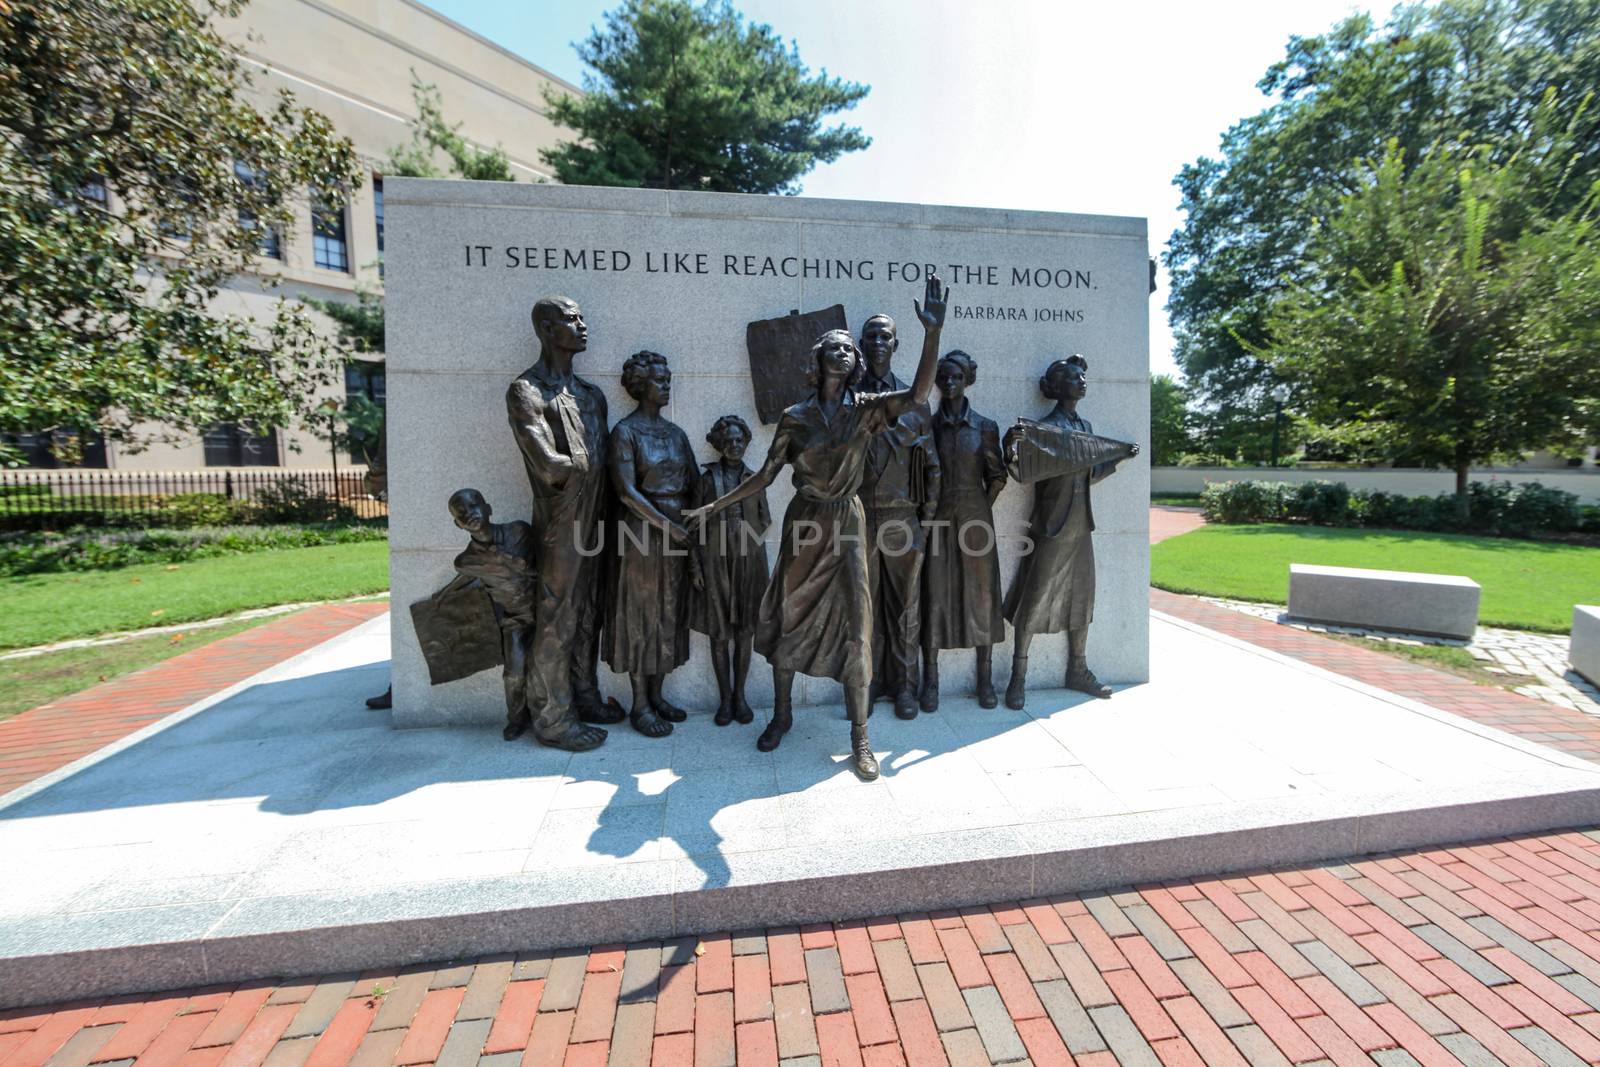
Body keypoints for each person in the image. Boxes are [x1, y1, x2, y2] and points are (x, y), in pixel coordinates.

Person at [686, 274, 950, 782]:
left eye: (851, 350)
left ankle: (860, 737)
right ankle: (782, 715)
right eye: (837, 347)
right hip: (805, 522)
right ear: (817, 361)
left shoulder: (867, 412)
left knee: (858, 623)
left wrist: (932, 334)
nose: (847, 353)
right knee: (789, 615)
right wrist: (713, 507)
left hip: (849, 522)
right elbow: (765, 476)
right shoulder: (794, 416)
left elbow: (918, 395)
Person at [505, 295, 620, 752]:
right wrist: (577, 467)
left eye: (582, 316)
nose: (583, 325)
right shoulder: (526, 390)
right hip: (561, 519)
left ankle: (584, 695)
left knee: (588, 611)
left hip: (599, 515)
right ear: (547, 330)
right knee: (557, 616)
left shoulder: (592, 395)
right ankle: (552, 718)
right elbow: (547, 462)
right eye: (572, 320)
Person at [1001, 355, 1139, 708]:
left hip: (1081, 524)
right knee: (1035, 596)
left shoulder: (1087, 428)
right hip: (1051, 525)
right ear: (1057, 386)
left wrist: (1119, 457)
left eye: (1083, 378)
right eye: (1075, 378)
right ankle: (1018, 677)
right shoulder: (1043, 428)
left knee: (1083, 596)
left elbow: (1089, 472)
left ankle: (1078, 668)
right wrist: (1010, 448)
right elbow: (1021, 473)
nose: (1082, 382)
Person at [602, 351, 697, 737]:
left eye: (669, 379)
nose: (667, 385)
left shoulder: (676, 434)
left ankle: (658, 695)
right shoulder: (625, 433)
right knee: (641, 615)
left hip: (676, 530)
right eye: (659, 380)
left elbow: (693, 480)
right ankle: (639, 704)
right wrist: (667, 527)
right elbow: (625, 491)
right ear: (640, 387)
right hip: (640, 534)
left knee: (668, 612)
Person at [856, 314, 941, 720]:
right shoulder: (849, 400)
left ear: (896, 344)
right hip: (857, 520)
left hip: (904, 519)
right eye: (870, 335)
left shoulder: (916, 404)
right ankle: (868, 684)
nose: (877, 342)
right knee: (864, 608)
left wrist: (926, 523)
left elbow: (933, 468)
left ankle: (906, 687)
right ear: (861, 342)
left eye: (884, 335)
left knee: (906, 608)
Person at [920, 350, 1006, 710]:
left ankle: (984, 679)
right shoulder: (929, 425)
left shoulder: (985, 427)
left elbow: (997, 475)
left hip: (975, 520)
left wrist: (980, 505)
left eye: (955, 376)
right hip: (938, 519)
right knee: (934, 593)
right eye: (943, 377)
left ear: (968, 378)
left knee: (981, 596)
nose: (949, 383)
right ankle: (931, 681)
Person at [432, 488, 539, 740]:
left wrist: (506, 560)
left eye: (474, 506)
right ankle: (517, 718)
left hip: (545, 611)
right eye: (462, 514)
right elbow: (463, 579)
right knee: (513, 674)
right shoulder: (466, 560)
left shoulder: (518, 531)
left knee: (550, 664)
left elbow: (541, 565)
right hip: (514, 619)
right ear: (457, 524)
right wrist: (441, 597)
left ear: (488, 508)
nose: (470, 515)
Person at [690, 414, 772, 727]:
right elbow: (694, 528)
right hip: (715, 564)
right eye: (729, 441)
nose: (734, 446)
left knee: (745, 632)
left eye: (739, 440)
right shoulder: (707, 480)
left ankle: (740, 695)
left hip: (747, 564)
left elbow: (764, 520)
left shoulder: (755, 479)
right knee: (720, 633)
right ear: (719, 445)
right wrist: (696, 564)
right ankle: (724, 699)